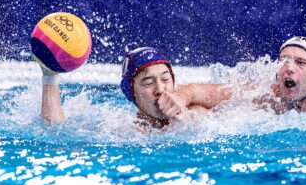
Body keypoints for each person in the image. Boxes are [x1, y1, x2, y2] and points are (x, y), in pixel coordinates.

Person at [40, 47, 207, 131]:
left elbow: (233, 92)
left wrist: (186, 127)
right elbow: (56, 131)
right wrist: (50, 77)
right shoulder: (123, 128)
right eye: (148, 83)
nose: (160, 89)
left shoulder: (197, 114)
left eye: (165, 79)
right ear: (130, 92)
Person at [174, 36, 306, 114]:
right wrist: (180, 98)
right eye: (284, 61)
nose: (289, 68)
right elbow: (194, 90)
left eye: (301, 62)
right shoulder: (262, 94)